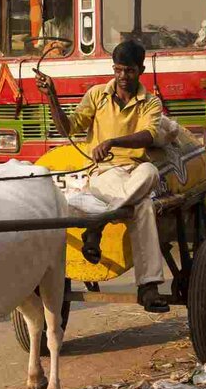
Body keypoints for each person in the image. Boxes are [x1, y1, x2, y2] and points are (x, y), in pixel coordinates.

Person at [36, 39, 169, 313]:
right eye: (118, 70)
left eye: (129, 71)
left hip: (135, 172)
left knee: (151, 172)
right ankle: (149, 286)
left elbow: (150, 135)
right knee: (142, 206)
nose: (122, 77)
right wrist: (52, 96)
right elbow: (68, 128)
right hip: (104, 175)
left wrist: (112, 142)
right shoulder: (97, 95)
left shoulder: (150, 103)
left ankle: (96, 225)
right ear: (113, 69)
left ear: (140, 70)